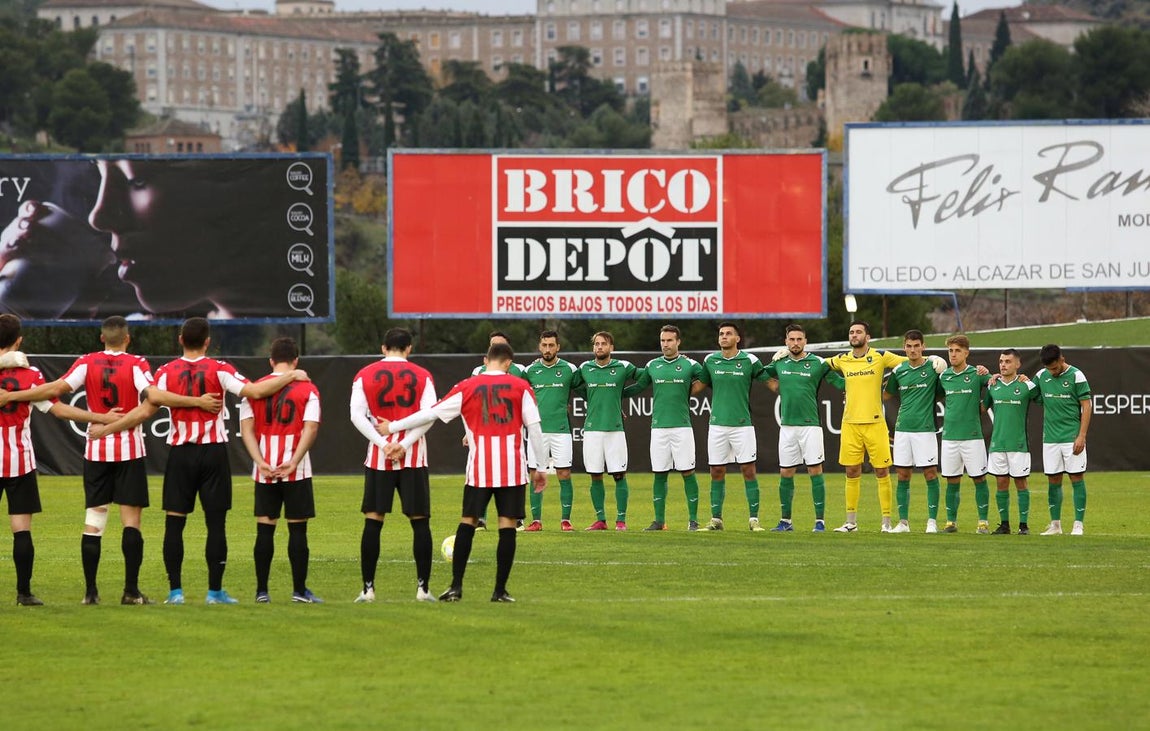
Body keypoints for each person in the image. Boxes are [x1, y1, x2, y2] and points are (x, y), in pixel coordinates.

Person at [0, 315, 220, 605]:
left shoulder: (86, 362)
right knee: (132, 523)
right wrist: (197, 401)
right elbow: (152, 396)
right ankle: (131, 591)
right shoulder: (137, 364)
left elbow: (57, 389)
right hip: (129, 451)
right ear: (127, 338)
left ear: (102, 338)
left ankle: (90, 593)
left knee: (94, 522)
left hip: (96, 451)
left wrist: (11, 396)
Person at [90, 317, 308, 605]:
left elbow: (144, 411)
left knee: (174, 523)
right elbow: (256, 391)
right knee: (216, 524)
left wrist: (108, 428)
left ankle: (175, 592)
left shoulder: (166, 372)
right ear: (207, 342)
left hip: (180, 454)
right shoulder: (220, 369)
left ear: (180, 340)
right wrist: (292, 375)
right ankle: (214, 592)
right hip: (213, 453)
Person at [379, 341, 549, 603]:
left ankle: (456, 587)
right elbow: (535, 429)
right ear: (508, 363)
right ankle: (499, 591)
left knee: (468, 523)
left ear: (486, 361)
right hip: (512, 469)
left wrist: (393, 427)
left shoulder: (467, 386)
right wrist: (540, 468)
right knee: (507, 526)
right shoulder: (520, 386)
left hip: (479, 469)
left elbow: (430, 414)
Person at [0, 314, 126, 605]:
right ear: (19, 340)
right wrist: (100, 417)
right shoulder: (30, 376)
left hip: (17, 460)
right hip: (19, 460)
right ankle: (24, 593)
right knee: (21, 530)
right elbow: (59, 410)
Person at [826, 320, 947, 533]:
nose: (854, 335)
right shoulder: (842, 359)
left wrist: (934, 358)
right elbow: (820, 366)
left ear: (867, 337)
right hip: (850, 423)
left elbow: (911, 359)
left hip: (876, 423)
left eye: (858, 332)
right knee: (852, 471)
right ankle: (851, 522)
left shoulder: (881, 356)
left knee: (882, 471)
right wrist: (841, 384)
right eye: (851, 332)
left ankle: (887, 523)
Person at [348, 327, 438, 603]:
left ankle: (368, 589)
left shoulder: (365, 374)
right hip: (413, 456)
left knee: (373, 520)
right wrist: (405, 444)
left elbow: (356, 416)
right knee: (419, 521)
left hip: (380, 457)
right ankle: (423, 589)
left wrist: (383, 444)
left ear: (383, 348)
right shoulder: (422, 375)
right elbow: (430, 415)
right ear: (409, 348)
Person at [239, 337, 323, 603]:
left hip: (265, 467)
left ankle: (261, 591)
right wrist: (295, 461)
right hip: (296, 469)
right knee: (297, 530)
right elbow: (311, 428)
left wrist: (259, 461)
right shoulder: (308, 389)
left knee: (265, 529)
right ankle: (299, 591)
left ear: (271, 361)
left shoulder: (254, 389)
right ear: (296, 360)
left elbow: (246, 430)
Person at [762, 324, 844, 533]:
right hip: (787, 427)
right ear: (786, 341)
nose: (796, 343)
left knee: (815, 470)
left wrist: (856, 385)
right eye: (792, 339)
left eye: (799, 339)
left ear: (806, 341)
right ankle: (785, 521)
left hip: (810, 426)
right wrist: (773, 380)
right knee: (785, 472)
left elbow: (839, 383)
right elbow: (760, 374)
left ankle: (820, 522)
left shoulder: (818, 363)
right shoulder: (780, 362)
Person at [624, 325, 706, 531]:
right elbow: (639, 386)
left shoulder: (690, 364)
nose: (665, 344)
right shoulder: (653, 365)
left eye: (669, 340)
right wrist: (615, 396)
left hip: (682, 428)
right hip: (659, 428)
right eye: (663, 340)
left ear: (678, 342)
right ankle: (659, 521)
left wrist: (693, 389)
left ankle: (693, 520)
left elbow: (709, 377)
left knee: (688, 472)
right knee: (659, 473)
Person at [698, 322, 772, 531]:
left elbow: (771, 382)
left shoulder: (750, 360)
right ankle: (716, 520)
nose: (724, 336)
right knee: (716, 471)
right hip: (717, 425)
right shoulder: (710, 360)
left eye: (728, 333)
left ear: (737, 338)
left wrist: (787, 368)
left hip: (742, 425)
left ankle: (754, 520)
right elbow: (697, 385)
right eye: (721, 333)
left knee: (748, 470)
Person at [882, 329, 945, 534]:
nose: (913, 350)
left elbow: (945, 388)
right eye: (909, 346)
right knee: (902, 475)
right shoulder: (899, 371)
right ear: (904, 348)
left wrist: (940, 364)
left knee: (930, 474)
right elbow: (886, 395)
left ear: (923, 346)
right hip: (902, 429)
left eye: (916, 346)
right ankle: (903, 523)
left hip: (925, 429)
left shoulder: (934, 368)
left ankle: (932, 522)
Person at [578, 331, 638, 531]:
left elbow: (645, 378)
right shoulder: (585, 368)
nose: (600, 347)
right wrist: (592, 397)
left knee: (619, 474)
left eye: (604, 343)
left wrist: (619, 396)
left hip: (615, 431)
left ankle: (621, 520)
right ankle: (601, 520)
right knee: (595, 475)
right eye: (596, 344)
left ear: (611, 347)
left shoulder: (623, 367)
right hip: (592, 430)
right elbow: (572, 384)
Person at [523, 330, 582, 531]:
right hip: (537, 431)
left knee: (564, 473)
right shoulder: (530, 371)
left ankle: (566, 520)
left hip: (561, 430)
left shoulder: (570, 369)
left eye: (551, 345)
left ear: (558, 347)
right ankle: (536, 521)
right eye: (544, 345)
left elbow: (587, 390)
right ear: (539, 347)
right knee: (535, 474)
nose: (547, 349)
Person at [470, 331, 528, 530]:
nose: (495, 347)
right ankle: (480, 518)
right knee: (482, 472)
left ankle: (516, 518)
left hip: (511, 434)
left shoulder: (519, 371)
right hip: (484, 433)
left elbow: (528, 398)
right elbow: (472, 405)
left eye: (500, 344)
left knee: (513, 472)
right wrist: (468, 432)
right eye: (492, 344)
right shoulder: (478, 372)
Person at [937, 334, 992, 534]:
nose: (953, 354)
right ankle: (950, 522)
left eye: (957, 350)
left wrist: (984, 406)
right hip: (950, 437)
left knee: (979, 479)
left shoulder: (977, 373)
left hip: (972, 437)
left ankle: (983, 522)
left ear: (966, 353)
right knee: (952, 481)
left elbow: (995, 385)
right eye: (950, 350)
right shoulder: (944, 376)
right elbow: (934, 394)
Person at [1034, 344, 1091, 536]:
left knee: (1076, 477)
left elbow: (1087, 406)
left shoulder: (1077, 375)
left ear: (1062, 359)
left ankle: (1078, 525)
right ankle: (1055, 525)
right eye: (1049, 369)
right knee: (1053, 479)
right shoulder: (1041, 376)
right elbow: (1029, 392)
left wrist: (1081, 435)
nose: (1052, 372)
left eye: (1055, 368)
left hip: (1071, 437)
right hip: (1050, 438)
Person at [983, 348, 1040, 536]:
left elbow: (1043, 400)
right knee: (1001, 483)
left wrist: (1030, 382)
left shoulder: (1026, 385)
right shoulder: (993, 385)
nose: (1003, 365)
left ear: (1018, 364)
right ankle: (1004, 525)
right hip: (997, 444)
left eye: (1007, 361)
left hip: (1019, 444)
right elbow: (982, 407)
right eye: (1001, 361)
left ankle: (1023, 525)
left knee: (1021, 483)